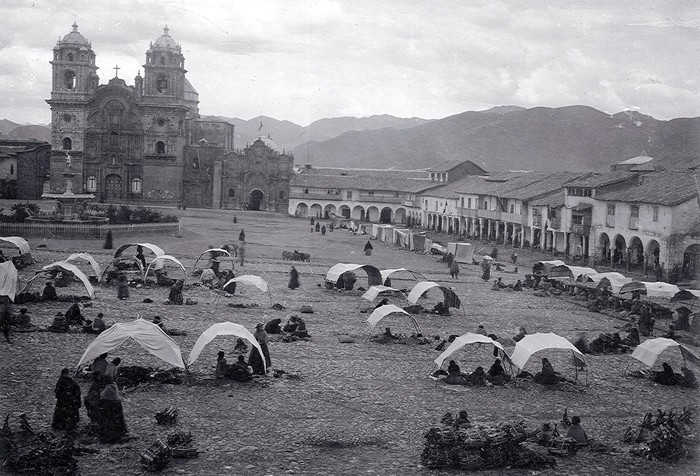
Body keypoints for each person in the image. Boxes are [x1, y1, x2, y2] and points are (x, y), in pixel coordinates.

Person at [98, 376, 127, 443]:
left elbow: (103, 396)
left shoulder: (108, 387)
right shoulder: (114, 385)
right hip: (116, 404)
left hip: (110, 405)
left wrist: (100, 391)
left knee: (110, 421)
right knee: (117, 421)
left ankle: (111, 437)